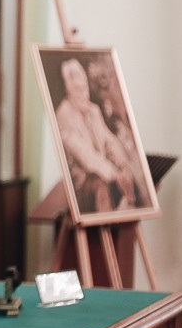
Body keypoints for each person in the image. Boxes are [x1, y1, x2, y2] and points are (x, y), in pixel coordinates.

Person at [55, 57, 145, 214]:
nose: (83, 93)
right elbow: (86, 156)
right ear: (68, 90)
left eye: (84, 87)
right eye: (77, 89)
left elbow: (110, 141)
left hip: (106, 174)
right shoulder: (63, 115)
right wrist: (116, 174)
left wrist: (123, 165)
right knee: (98, 182)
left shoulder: (93, 110)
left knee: (132, 173)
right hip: (82, 187)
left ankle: (130, 219)